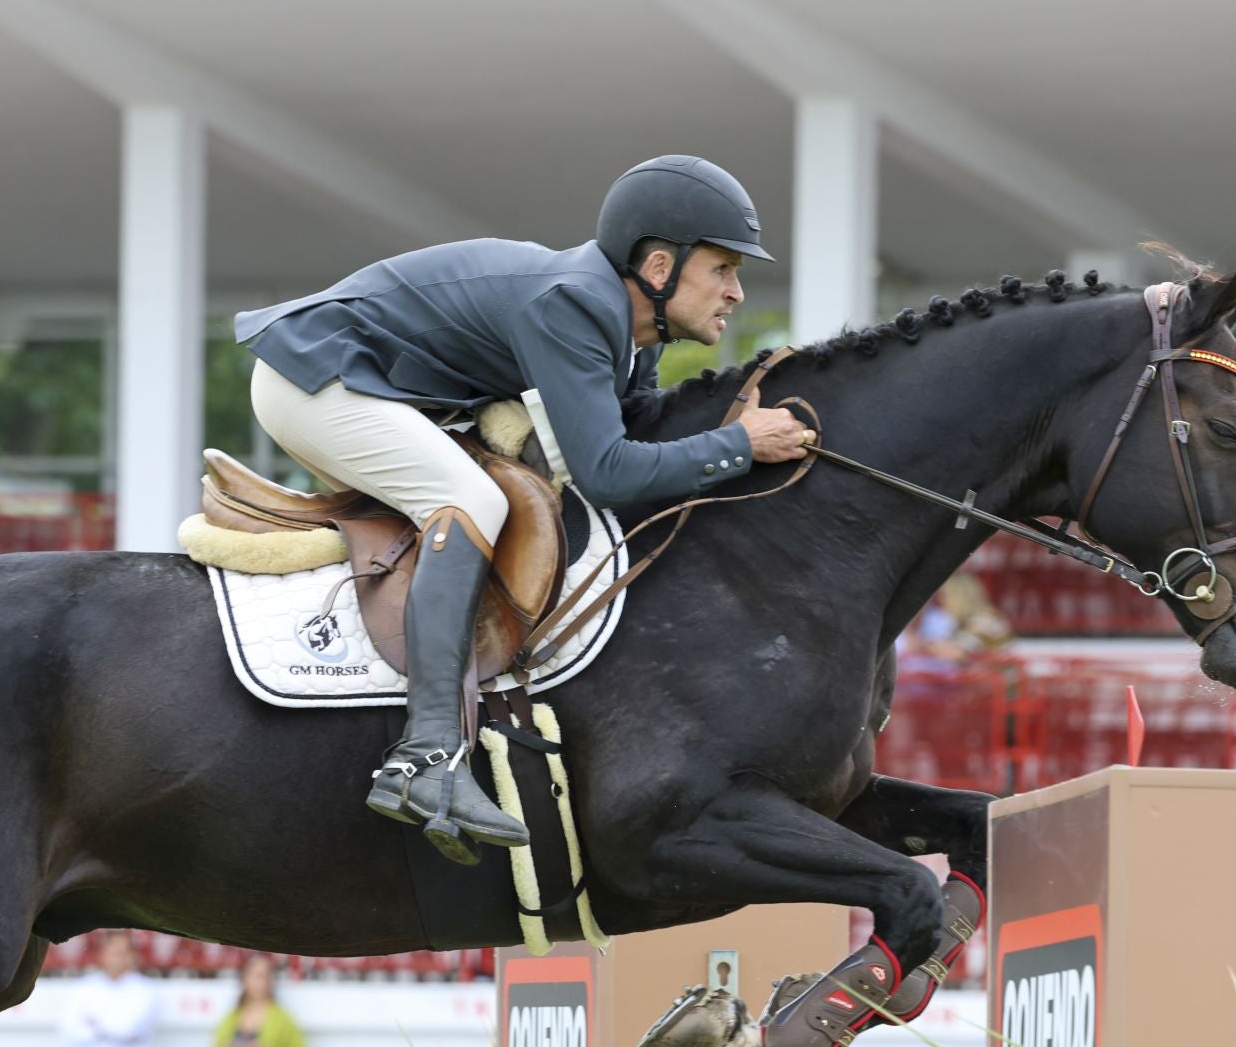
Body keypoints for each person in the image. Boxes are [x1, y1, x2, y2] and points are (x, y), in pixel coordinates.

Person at [235, 155, 811, 863]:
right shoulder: (577, 302)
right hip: (316, 377)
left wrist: (730, 425)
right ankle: (426, 758)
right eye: (722, 269)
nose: (736, 292)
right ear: (660, 267)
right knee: (468, 498)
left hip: (363, 381)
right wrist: (738, 445)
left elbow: (633, 433)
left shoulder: (629, 333)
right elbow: (607, 473)